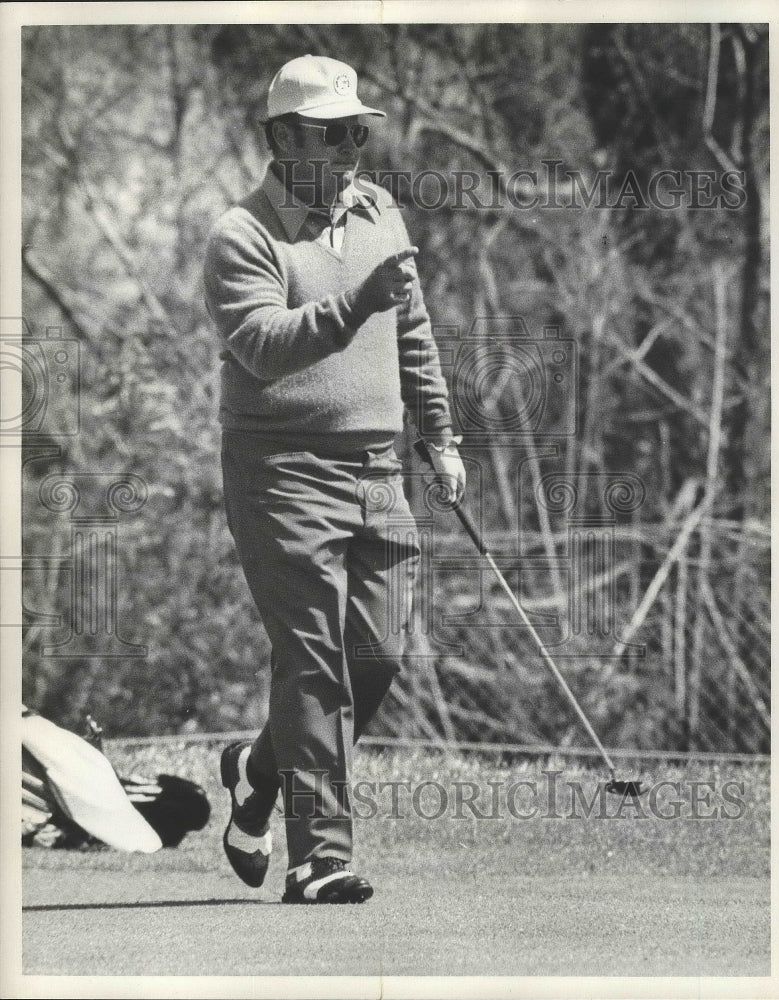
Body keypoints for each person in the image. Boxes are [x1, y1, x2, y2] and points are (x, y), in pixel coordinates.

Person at [203, 54, 465, 904]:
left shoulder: (380, 212)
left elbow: (414, 331)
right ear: (282, 137)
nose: (350, 147)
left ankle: (256, 766)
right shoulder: (241, 234)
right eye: (330, 132)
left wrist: (443, 436)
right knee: (313, 660)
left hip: (378, 467)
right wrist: (356, 302)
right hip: (279, 468)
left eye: (357, 130)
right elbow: (264, 348)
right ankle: (320, 858)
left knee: (376, 656)